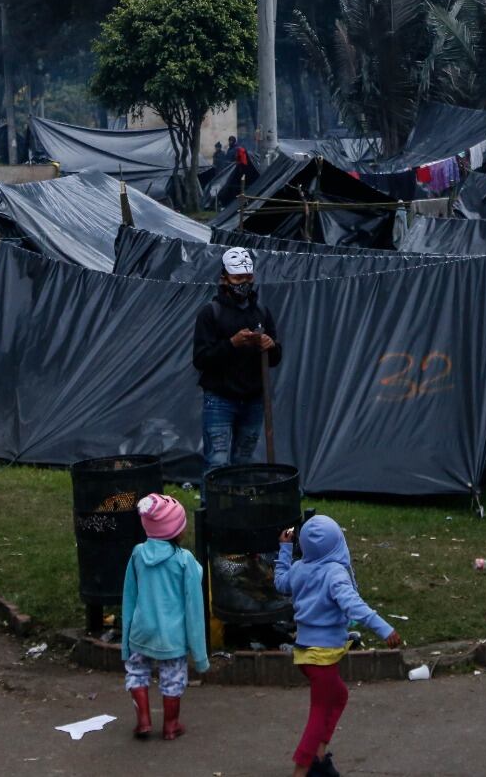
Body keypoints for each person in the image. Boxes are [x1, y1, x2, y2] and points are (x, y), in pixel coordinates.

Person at [275, 516, 402, 777]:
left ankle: (319, 758)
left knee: (340, 695)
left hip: (305, 654)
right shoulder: (334, 573)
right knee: (318, 714)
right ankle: (302, 770)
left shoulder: (299, 568)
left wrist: (285, 549)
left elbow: (280, 582)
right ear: (338, 544)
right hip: (322, 658)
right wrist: (384, 629)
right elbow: (353, 605)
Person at [121, 494, 209, 741]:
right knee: (173, 679)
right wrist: (200, 657)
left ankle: (144, 721)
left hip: (141, 632)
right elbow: (194, 609)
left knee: (137, 672)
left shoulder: (138, 554)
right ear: (176, 531)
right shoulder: (185, 560)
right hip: (172, 637)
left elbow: (129, 597)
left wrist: (125, 643)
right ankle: (171, 726)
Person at [192, 248, 281, 472]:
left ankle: (238, 505)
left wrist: (271, 346)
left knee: (243, 461)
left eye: (248, 277)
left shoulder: (261, 311)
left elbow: (274, 359)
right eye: (237, 278)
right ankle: (210, 506)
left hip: (254, 398)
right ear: (225, 278)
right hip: (220, 398)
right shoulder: (210, 313)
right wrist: (232, 343)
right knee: (217, 462)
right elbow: (201, 359)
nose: (243, 282)